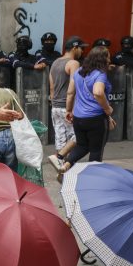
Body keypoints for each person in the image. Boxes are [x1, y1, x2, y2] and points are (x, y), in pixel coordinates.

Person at [58, 46, 115, 178]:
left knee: (82, 146)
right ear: (102, 59)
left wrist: (68, 110)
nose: (109, 59)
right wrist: (107, 109)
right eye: (108, 57)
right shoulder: (100, 74)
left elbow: (70, 92)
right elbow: (98, 92)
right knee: (96, 150)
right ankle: (93, 178)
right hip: (96, 118)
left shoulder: (79, 72)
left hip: (78, 118)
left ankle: (66, 164)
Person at [47, 36, 86, 170]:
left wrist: (54, 103)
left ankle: (61, 169)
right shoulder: (73, 63)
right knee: (80, 136)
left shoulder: (55, 62)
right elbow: (73, 87)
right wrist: (72, 108)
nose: (82, 51)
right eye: (81, 48)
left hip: (55, 107)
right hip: (67, 106)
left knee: (60, 139)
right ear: (75, 48)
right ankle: (61, 160)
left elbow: (51, 87)